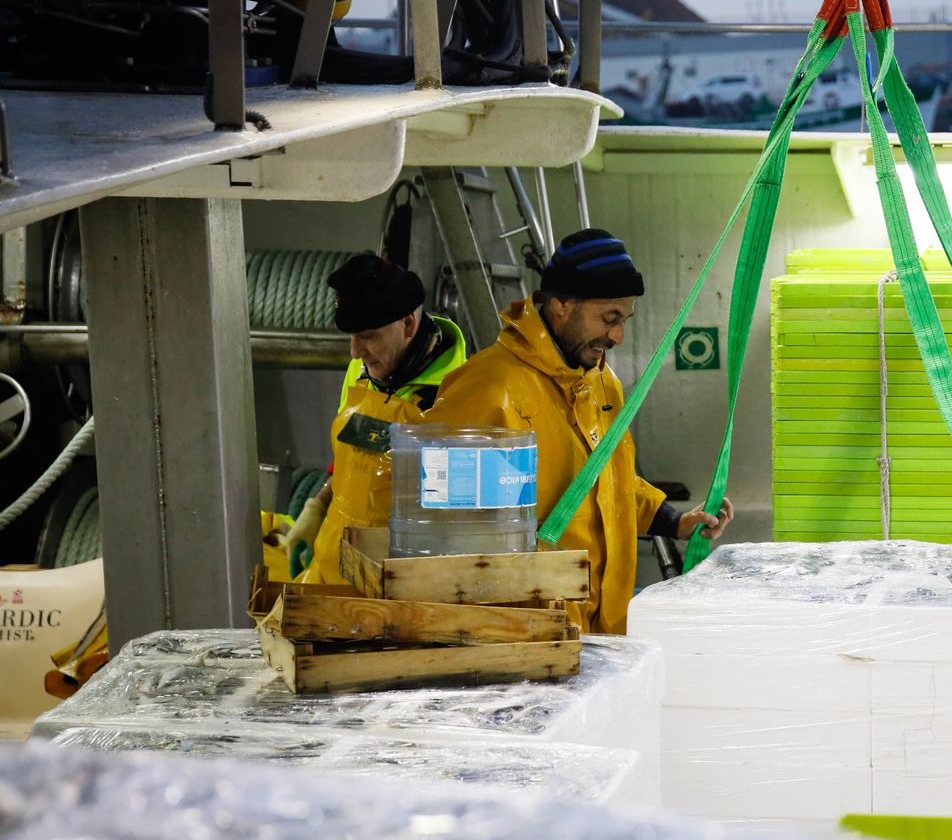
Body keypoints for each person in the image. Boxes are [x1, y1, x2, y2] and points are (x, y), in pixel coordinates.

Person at [426, 228, 733, 635]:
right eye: (609, 318)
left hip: (604, 630)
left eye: (623, 320)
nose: (618, 336)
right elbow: (447, 534)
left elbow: (610, 480)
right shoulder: (487, 389)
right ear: (561, 305)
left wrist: (676, 522)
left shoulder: (601, 383)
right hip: (530, 637)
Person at [286, 252, 467, 583]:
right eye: (352, 337)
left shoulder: (456, 398)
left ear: (408, 324)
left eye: (367, 336)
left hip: (396, 592)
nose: (355, 351)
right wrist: (317, 507)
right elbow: (351, 451)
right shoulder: (362, 371)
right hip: (330, 574)